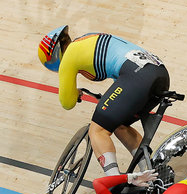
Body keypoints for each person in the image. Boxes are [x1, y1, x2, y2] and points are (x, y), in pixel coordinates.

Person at [38, 25, 169, 176]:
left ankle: (113, 178)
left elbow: (67, 103)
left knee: (97, 130)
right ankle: (151, 172)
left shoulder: (69, 55)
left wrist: (73, 92)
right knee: (118, 124)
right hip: (159, 73)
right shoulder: (87, 38)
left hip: (137, 76)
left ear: (54, 57)